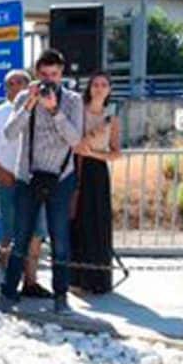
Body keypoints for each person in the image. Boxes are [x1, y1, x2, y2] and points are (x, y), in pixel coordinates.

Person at [0, 48, 84, 314]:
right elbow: (10, 133)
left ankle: (61, 296)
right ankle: (9, 292)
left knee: (60, 239)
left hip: (61, 177)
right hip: (28, 176)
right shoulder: (26, 96)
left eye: (55, 75)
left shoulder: (73, 101)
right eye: (44, 75)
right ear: (37, 74)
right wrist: (29, 106)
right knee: (21, 237)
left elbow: (75, 140)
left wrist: (55, 110)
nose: (49, 80)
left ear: (62, 74)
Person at [0, 69, 51, 298]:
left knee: (37, 232)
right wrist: (2, 174)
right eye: (10, 83)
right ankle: (11, 282)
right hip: (9, 180)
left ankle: (31, 282)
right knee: (11, 232)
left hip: (37, 180)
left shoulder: (44, 109)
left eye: (21, 82)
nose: (15, 87)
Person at [70, 71, 122, 293]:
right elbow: (74, 145)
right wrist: (86, 147)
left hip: (97, 171)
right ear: (89, 88)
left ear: (109, 89)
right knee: (77, 221)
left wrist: (93, 154)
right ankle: (76, 279)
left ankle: (98, 280)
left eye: (104, 85)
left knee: (98, 223)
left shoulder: (112, 119)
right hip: (76, 168)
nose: (99, 88)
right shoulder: (78, 112)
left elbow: (116, 153)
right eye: (95, 84)